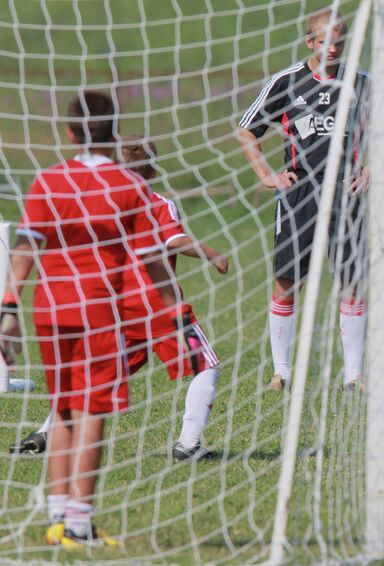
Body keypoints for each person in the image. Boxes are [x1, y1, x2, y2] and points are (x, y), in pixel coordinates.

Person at [0, 91, 179, 548]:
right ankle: (79, 521)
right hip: (100, 310)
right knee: (92, 411)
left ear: (69, 132)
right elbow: (153, 257)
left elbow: (24, 251)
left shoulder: (48, 181)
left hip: (50, 308)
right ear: (116, 133)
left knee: (63, 405)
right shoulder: (130, 187)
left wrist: (8, 307)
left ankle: (59, 517)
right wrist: (172, 304)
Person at [8, 136, 229, 462]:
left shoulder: (98, 202)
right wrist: (212, 254)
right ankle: (189, 443)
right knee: (206, 366)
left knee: (98, 376)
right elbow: (173, 239)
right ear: (152, 172)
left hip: (113, 303)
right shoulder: (156, 202)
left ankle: (44, 433)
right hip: (156, 302)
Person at [237, 6, 384, 391]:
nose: (334, 48)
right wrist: (267, 175)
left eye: (340, 42)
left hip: (346, 196)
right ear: (309, 42)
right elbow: (247, 131)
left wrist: (373, 169)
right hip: (298, 196)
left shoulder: (361, 81)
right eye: (326, 42)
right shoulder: (286, 82)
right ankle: (281, 373)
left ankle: (354, 376)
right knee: (286, 280)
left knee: (350, 282)